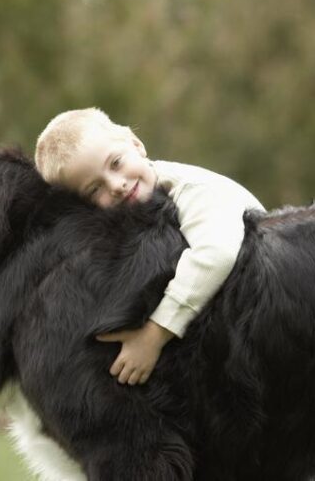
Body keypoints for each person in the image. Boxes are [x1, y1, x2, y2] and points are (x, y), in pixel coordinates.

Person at [34, 107, 265, 385]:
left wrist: (155, 334)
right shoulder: (134, 215)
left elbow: (216, 254)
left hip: (264, 299)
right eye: (95, 189)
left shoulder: (190, 190)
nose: (116, 185)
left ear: (136, 144)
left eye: (116, 163)